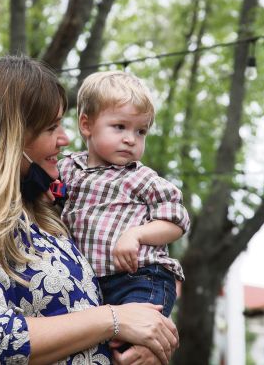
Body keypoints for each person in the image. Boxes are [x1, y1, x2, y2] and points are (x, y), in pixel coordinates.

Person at [0, 56, 179, 365]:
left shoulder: (45, 214)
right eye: (51, 127)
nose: (65, 139)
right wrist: (114, 319)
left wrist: (147, 337)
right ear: (8, 136)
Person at [57, 71, 190, 348]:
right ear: (86, 125)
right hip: (94, 281)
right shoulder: (67, 167)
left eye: (140, 131)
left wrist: (136, 235)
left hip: (140, 278)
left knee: (135, 343)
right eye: (119, 127)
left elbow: (176, 220)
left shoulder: (140, 177)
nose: (131, 139)